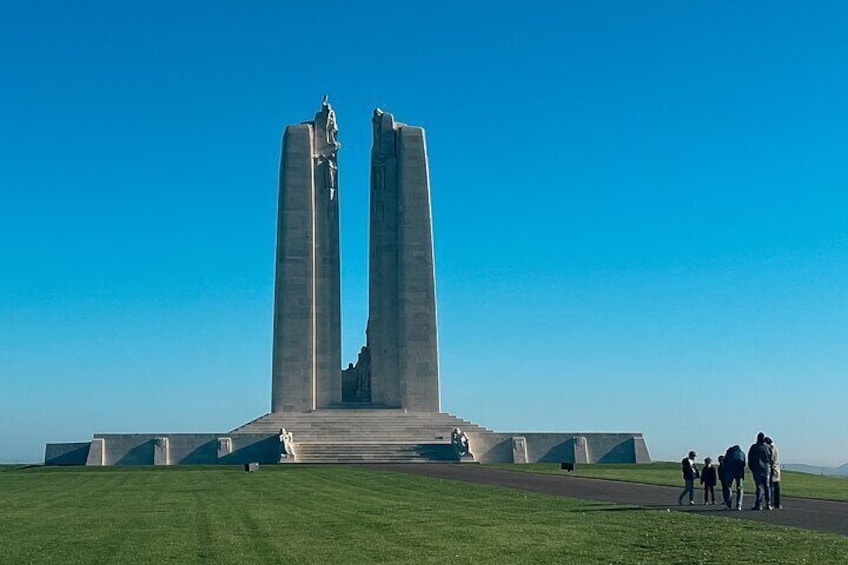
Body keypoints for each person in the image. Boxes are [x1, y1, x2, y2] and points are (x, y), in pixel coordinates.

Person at [748, 432, 773, 510]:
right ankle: (768, 504)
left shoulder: (754, 447)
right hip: (766, 469)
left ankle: (758, 504)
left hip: (757, 469)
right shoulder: (768, 447)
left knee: (759, 487)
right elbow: (771, 459)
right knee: (767, 486)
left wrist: (752, 468)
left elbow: (750, 459)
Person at [723, 444, 746, 510]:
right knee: (740, 488)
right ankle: (739, 505)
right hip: (739, 472)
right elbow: (743, 464)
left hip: (730, 471)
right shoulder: (742, 453)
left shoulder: (730, 452)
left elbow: (725, 461)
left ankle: (728, 505)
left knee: (728, 487)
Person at [765, 437, 782, 509]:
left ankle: (771, 503)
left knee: (771, 487)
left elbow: (771, 459)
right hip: (777, 470)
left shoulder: (771, 449)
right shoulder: (776, 449)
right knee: (777, 487)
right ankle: (777, 504)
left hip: (772, 470)